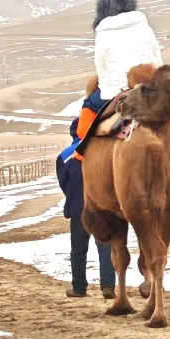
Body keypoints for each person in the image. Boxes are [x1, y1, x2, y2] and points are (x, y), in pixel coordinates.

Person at [76, 0, 164, 143]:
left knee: (88, 105)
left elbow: (102, 73)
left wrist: (110, 90)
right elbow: (158, 61)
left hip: (117, 92)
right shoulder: (145, 27)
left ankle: (80, 151)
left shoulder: (103, 33)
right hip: (150, 89)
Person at [58, 118, 115, 298]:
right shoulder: (104, 153)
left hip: (77, 207)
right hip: (102, 208)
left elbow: (63, 183)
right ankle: (108, 287)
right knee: (105, 248)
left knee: (78, 250)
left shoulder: (65, 155)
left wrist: (74, 196)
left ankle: (79, 288)